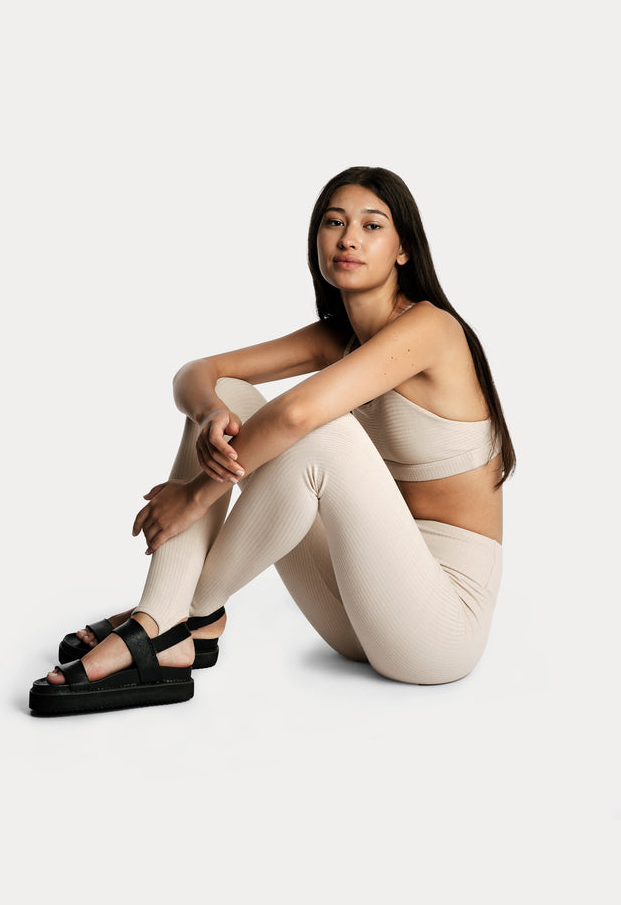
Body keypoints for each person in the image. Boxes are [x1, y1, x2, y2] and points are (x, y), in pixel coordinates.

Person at [29, 166, 515, 715]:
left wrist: (195, 494)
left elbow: (299, 413)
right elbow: (202, 371)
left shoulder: (433, 329)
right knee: (232, 399)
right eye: (334, 222)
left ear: (404, 249)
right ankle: (171, 617)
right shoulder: (339, 336)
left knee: (321, 433)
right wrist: (212, 409)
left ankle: (176, 617)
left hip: (439, 629)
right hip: (360, 605)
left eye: (372, 226)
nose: (349, 238)